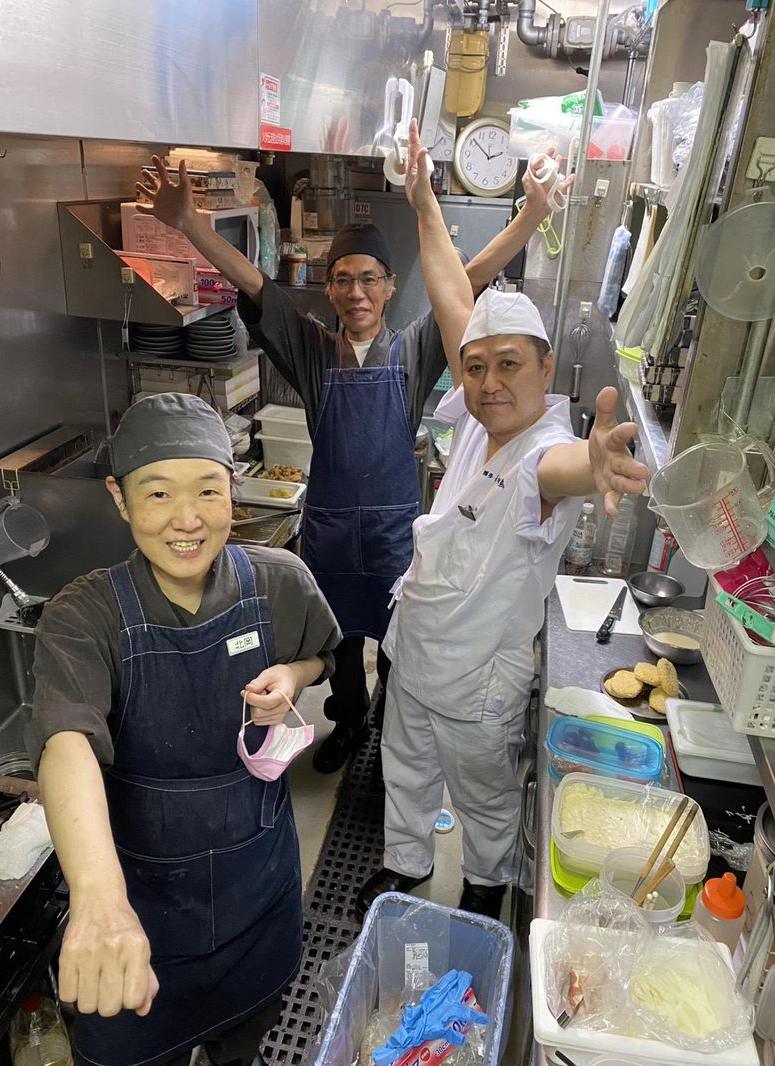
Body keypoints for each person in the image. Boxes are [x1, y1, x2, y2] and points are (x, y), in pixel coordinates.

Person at [136, 156, 562, 775]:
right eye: (342, 280)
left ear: (390, 285)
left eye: (368, 279)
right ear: (329, 289)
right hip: (331, 531)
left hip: (395, 534)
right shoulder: (312, 348)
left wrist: (531, 215)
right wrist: (191, 226)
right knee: (336, 643)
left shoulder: (414, 348)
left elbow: (466, 280)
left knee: (400, 645)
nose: (355, 292)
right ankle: (350, 720)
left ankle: (393, 733)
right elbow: (256, 285)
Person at [357, 121, 649, 920]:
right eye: (477, 367)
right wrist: (423, 200)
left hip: (479, 679)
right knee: (406, 770)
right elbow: (453, 295)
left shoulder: (542, 453)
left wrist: (596, 464)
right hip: (417, 650)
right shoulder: (478, 421)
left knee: (484, 794)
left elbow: (567, 470)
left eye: (509, 365)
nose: (488, 382)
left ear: (546, 368)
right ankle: (405, 864)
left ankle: (485, 886)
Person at [26, 394, 342, 1066]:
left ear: (233, 490)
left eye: (207, 490)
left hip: (258, 897)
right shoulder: (84, 616)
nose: (187, 519)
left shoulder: (280, 583)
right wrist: (100, 902)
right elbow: (66, 741)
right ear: (119, 498)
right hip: (141, 918)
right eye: (158, 493)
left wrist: (293, 674)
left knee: (248, 1036)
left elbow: (323, 655)